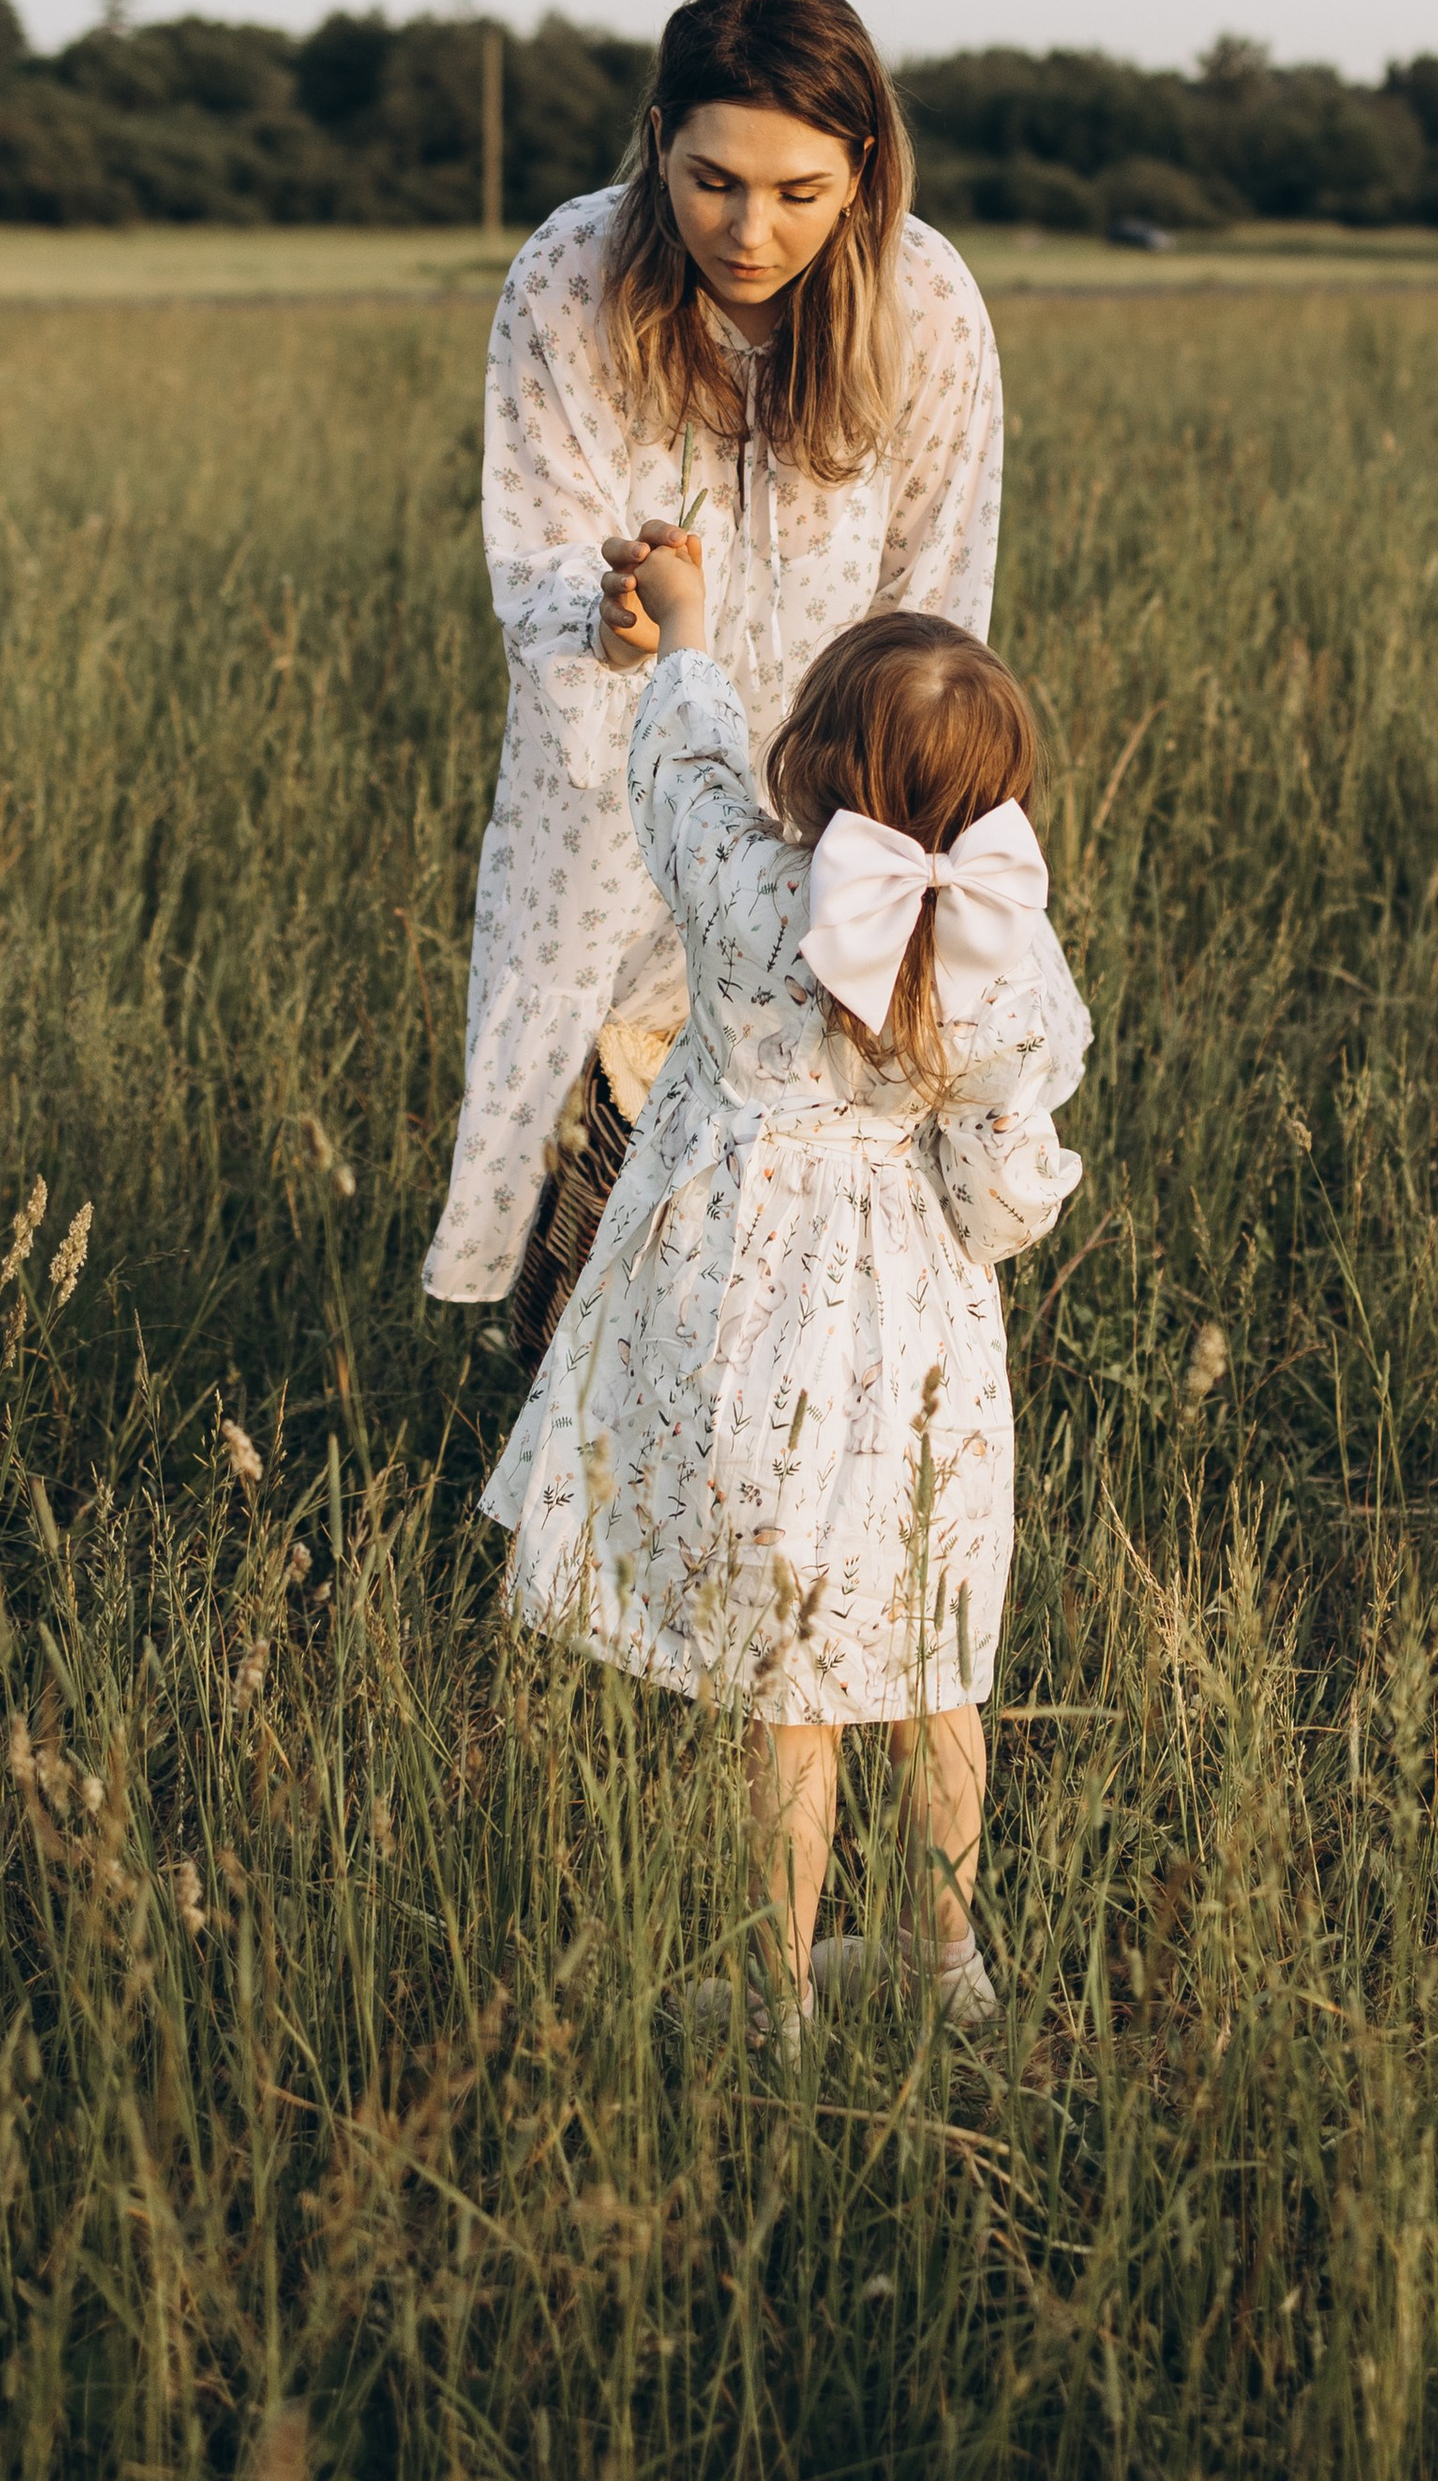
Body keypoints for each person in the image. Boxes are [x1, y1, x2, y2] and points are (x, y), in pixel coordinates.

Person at [479, 553, 1090, 2048]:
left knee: (790, 1690)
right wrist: (964, 1200)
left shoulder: (755, 897)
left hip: (749, 1343)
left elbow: (680, 769)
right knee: (938, 1656)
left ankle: (780, 1996)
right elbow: (1007, 1191)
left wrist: (684, 628)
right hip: (925, 1359)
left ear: (812, 766)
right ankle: (950, 1967)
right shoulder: (1000, 964)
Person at [422, 0, 1005, 1321]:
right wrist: (612, 623)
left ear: (862, 170)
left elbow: (937, 598)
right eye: (711, 181)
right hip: (610, 789)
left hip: (837, 794)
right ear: (656, 137)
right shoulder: (570, 276)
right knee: (584, 1131)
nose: (750, 230)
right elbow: (541, 552)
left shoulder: (926, 300)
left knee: (807, 1152)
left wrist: (884, 821)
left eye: (799, 192)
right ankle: (563, 1457)